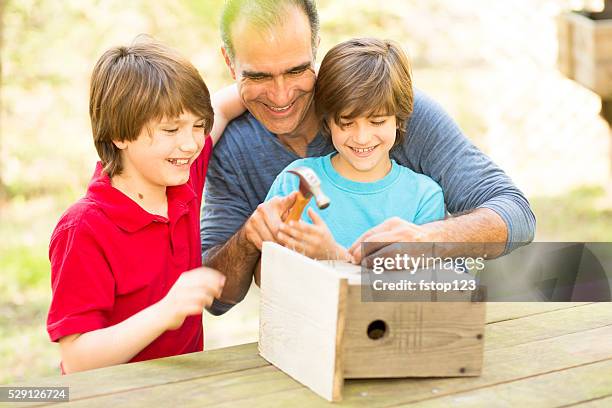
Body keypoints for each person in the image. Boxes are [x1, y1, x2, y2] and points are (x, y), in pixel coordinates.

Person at [201, 0, 536, 315]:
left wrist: (427, 239)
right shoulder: (233, 147)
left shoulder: (391, 109)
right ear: (230, 64)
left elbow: (516, 215)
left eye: (296, 70)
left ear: (315, 46)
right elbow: (216, 297)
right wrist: (249, 241)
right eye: (258, 76)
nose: (281, 95)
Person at [46, 36, 241, 373]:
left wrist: (281, 79)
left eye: (198, 125)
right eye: (170, 129)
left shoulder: (181, 179)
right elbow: (77, 360)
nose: (191, 143)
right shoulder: (84, 228)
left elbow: (223, 105)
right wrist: (168, 310)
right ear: (119, 134)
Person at [266, 38, 445, 261]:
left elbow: (409, 289)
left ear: (398, 119)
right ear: (327, 120)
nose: (362, 138)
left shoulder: (424, 197)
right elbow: (267, 273)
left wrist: (335, 256)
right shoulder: (295, 181)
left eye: (377, 122)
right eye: (347, 123)